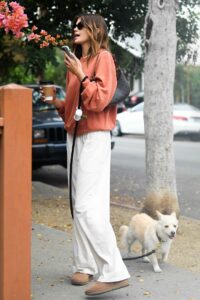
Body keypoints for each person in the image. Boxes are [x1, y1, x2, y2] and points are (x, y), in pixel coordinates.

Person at [43, 13, 130, 296]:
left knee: (85, 206)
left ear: (95, 30)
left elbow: (98, 100)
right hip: (75, 135)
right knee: (78, 204)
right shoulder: (73, 64)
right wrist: (57, 102)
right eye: (74, 25)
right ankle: (84, 264)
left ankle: (114, 270)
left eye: (81, 25)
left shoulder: (103, 58)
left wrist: (82, 74)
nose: (75, 28)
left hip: (94, 136)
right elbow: (74, 106)